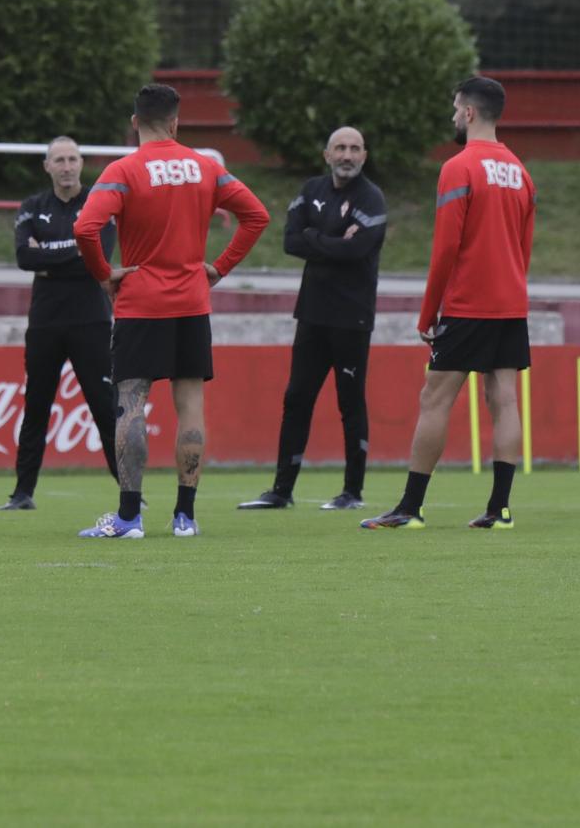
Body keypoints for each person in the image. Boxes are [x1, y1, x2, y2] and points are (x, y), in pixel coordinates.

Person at [73, 84, 269, 539]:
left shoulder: (124, 170)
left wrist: (104, 274)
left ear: (134, 122)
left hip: (141, 303)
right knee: (191, 409)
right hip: (191, 303)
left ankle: (128, 518)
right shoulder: (206, 167)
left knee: (132, 406)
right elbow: (256, 216)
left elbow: (85, 227)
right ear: (177, 123)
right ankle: (185, 517)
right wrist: (218, 269)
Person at [363, 77, 535, 531]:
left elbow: (446, 248)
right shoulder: (520, 170)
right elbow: (524, 246)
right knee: (504, 400)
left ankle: (410, 507)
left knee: (435, 398)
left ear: (470, 113)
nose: (453, 116)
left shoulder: (459, 167)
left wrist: (429, 313)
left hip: (468, 303)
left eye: (456, 108)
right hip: (511, 302)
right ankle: (500, 509)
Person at [240, 126, 385, 512]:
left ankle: (352, 492)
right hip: (312, 314)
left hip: (351, 318)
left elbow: (357, 251)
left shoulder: (371, 199)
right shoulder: (311, 190)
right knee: (297, 398)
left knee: (350, 403)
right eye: (340, 148)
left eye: (355, 148)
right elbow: (291, 240)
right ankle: (281, 491)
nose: (347, 155)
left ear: (364, 155)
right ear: (327, 154)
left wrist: (316, 238)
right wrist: (334, 241)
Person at [1, 136, 119, 510]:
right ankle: (23, 494)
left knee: (104, 405)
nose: (66, 166)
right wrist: (74, 253)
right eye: (59, 160)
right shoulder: (33, 207)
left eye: (72, 159)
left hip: (92, 320)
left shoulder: (99, 203)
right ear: (47, 166)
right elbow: (23, 257)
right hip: (45, 323)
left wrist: (49, 255)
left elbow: (97, 257)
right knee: (36, 405)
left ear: (81, 163)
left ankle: (131, 491)